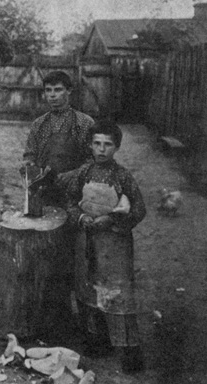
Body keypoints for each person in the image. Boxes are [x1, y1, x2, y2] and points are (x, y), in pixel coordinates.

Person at [65, 121, 147, 373]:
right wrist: (81, 217)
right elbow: (70, 200)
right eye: (97, 144)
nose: (101, 150)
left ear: (117, 147)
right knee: (89, 289)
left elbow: (139, 210)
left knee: (116, 292)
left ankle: (130, 352)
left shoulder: (123, 177)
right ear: (90, 145)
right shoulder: (83, 172)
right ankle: (98, 342)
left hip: (114, 245)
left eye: (108, 144)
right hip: (87, 240)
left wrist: (111, 219)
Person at [23, 70, 95, 207]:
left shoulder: (84, 123)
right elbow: (29, 155)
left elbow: (93, 160)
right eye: (48, 90)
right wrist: (28, 165)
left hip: (75, 191)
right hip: (43, 191)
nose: (52, 95)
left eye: (58, 90)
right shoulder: (39, 124)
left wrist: (74, 174)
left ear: (69, 91)